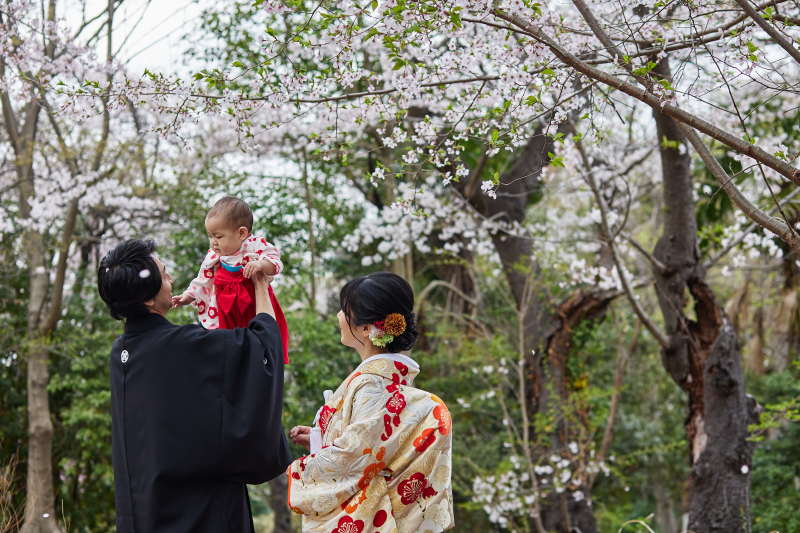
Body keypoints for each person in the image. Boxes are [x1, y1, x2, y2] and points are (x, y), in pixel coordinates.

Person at [97, 239, 292, 533]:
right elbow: (263, 349)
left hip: (145, 514)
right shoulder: (182, 345)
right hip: (201, 513)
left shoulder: (121, 352)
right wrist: (261, 287)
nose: (171, 279)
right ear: (148, 299)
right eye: (164, 275)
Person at [287, 272, 454, 533]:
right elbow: (369, 441)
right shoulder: (383, 380)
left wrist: (300, 470)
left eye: (344, 311)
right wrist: (320, 439)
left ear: (366, 329)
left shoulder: (373, 384)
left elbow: (357, 453)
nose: (339, 317)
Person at [172, 196, 289, 364]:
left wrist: (260, 264)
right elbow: (203, 279)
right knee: (230, 346)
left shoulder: (254, 245)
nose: (213, 243)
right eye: (210, 236)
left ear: (241, 233)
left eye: (218, 237)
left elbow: (276, 262)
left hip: (252, 304)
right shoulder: (214, 256)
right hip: (227, 308)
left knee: (258, 342)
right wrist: (188, 296)